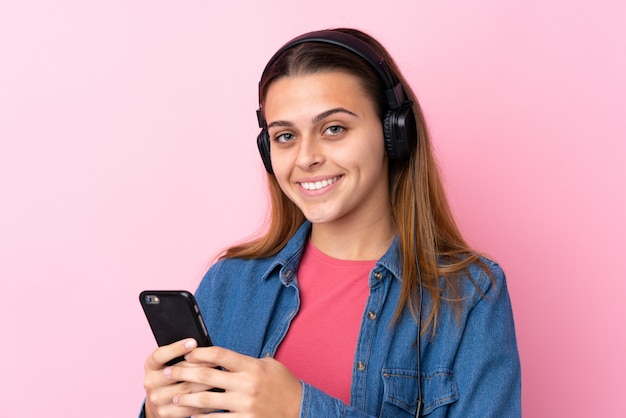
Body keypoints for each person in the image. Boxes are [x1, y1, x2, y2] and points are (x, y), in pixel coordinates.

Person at [141, 28, 521, 418]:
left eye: (333, 129)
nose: (305, 157)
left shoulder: (470, 295)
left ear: (394, 134)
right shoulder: (231, 282)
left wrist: (300, 409)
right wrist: (158, 412)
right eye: (285, 136)